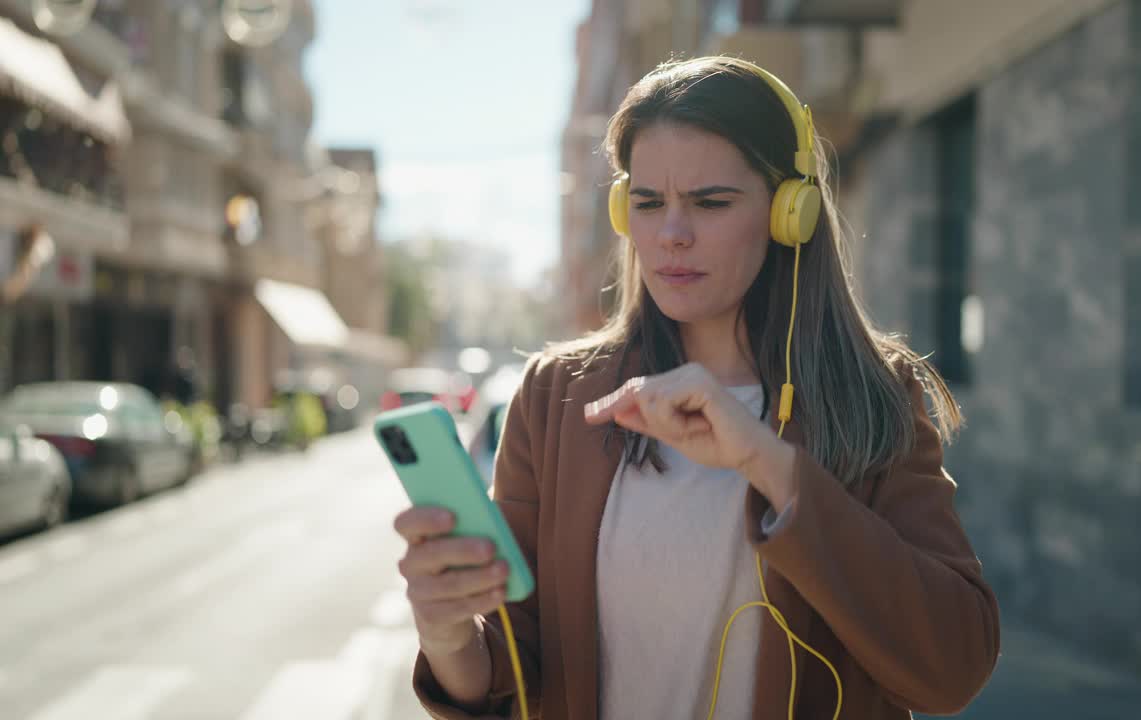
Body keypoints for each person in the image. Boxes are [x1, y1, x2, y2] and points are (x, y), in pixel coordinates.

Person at [393, 56, 1000, 720]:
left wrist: (770, 465)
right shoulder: (556, 397)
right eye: (648, 203)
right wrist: (448, 635)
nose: (671, 234)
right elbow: (514, 661)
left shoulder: (876, 392)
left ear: (787, 213)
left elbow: (954, 669)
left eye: (710, 202)